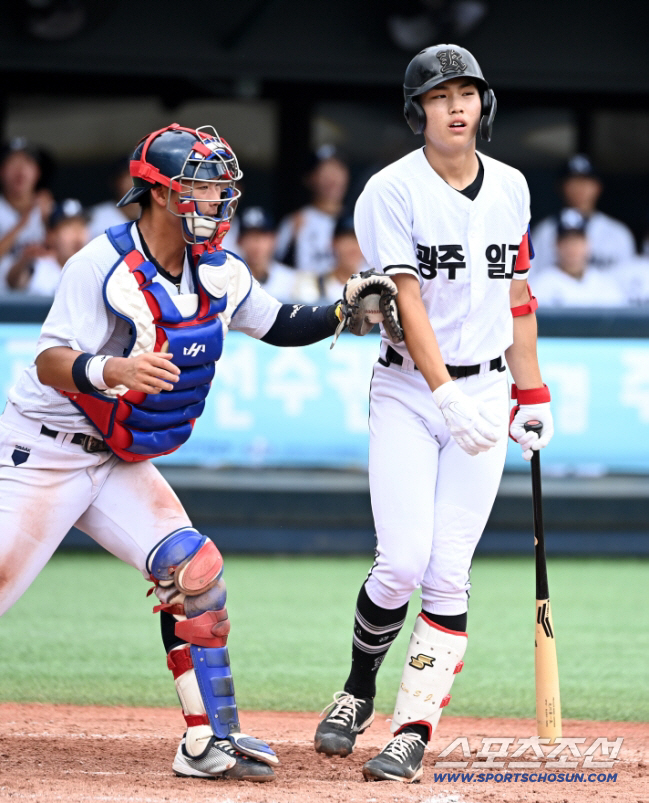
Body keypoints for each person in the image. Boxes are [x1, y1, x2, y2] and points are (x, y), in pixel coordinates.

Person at [0, 123, 365, 784]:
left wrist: (341, 309)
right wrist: (114, 369)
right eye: (200, 188)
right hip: (44, 451)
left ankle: (208, 740)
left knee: (195, 571)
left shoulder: (219, 269)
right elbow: (50, 360)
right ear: (160, 194)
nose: (217, 200)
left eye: (221, 187)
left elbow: (279, 322)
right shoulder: (99, 263)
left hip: (117, 458)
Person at [314, 44, 554, 784]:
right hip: (411, 394)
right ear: (417, 109)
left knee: (449, 572)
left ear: (484, 104)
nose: (456, 106)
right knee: (401, 561)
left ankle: (412, 727)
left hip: (483, 394)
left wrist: (531, 392)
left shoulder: (512, 186)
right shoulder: (389, 191)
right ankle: (357, 688)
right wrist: (442, 390)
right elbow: (406, 297)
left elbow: (516, 295)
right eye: (440, 94)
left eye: (467, 93)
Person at [531, 154, 636, 272]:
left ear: (598, 187)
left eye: (585, 181)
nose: (579, 188)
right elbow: (532, 278)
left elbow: (628, 279)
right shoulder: (545, 231)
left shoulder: (618, 233)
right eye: (573, 182)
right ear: (561, 187)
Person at [274, 144, 350, 275]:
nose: (332, 178)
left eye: (337, 169)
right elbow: (278, 272)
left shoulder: (359, 220)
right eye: (324, 171)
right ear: (309, 178)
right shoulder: (295, 221)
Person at [532, 209, 626, 307]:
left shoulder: (605, 285)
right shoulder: (541, 286)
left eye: (577, 241)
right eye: (566, 242)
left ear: (587, 244)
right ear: (556, 245)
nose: (572, 248)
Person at [6, 198, 89, 295]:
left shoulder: (95, 269)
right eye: (69, 226)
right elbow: (13, 284)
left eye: (81, 226)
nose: (77, 234)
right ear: (50, 236)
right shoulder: (37, 266)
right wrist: (24, 260)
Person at [237, 206, 319, 302]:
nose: (256, 243)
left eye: (262, 236)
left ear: (274, 239)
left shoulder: (292, 280)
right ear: (239, 241)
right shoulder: (229, 278)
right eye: (250, 236)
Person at [0, 138, 52, 291]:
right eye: (13, 162)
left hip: (41, 296)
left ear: (37, 172)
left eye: (27, 162)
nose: (20, 170)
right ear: (2, 171)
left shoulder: (48, 208)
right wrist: (22, 224)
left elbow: (63, 257)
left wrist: (47, 220)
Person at [86, 159, 140, 239]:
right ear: (117, 182)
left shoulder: (156, 215)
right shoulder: (96, 217)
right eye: (129, 176)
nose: (134, 182)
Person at [318, 216, 367, 303]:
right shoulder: (314, 284)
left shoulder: (377, 284)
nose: (352, 248)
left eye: (358, 241)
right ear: (333, 243)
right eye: (347, 240)